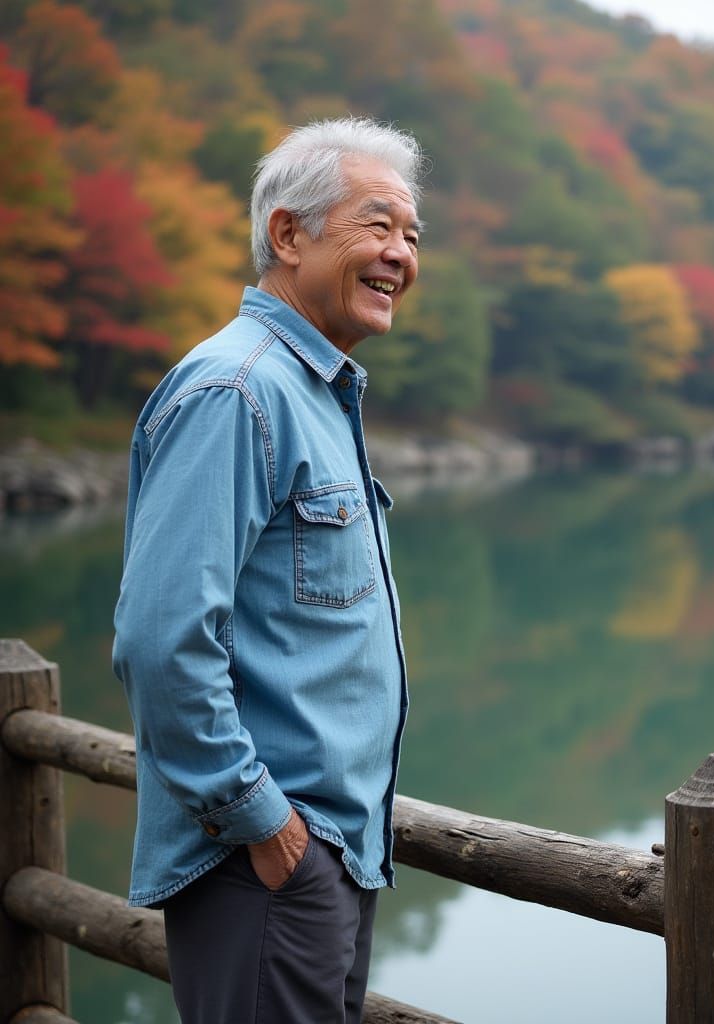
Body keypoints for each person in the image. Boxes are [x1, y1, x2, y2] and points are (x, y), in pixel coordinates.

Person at [112, 117, 424, 1022]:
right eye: (377, 226)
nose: (399, 254)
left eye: (411, 235)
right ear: (289, 235)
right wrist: (266, 827)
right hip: (267, 861)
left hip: (322, 857)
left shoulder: (311, 392)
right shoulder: (237, 391)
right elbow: (163, 641)